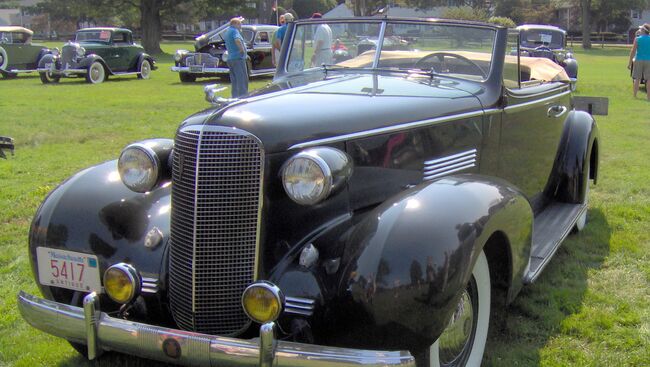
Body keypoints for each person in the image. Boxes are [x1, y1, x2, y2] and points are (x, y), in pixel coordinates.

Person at [224, 16, 248, 98]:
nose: (241, 26)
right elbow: (237, 40)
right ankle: (242, 97)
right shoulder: (234, 31)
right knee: (242, 80)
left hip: (230, 58)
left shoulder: (227, 32)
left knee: (234, 81)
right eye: (240, 24)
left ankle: (234, 97)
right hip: (238, 58)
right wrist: (242, 50)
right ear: (235, 24)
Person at [628, 23, 650, 100]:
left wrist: (629, 63)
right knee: (648, 79)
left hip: (639, 59)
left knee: (637, 78)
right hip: (649, 60)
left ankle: (635, 95)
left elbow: (633, 51)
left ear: (644, 30)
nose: (639, 30)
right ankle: (648, 97)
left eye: (641, 29)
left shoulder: (637, 39)